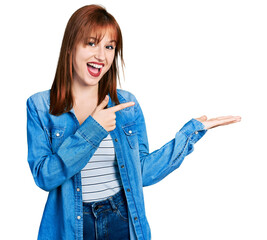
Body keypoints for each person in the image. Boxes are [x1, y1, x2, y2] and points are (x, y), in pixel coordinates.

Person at [26, 4, 241, 240]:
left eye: (109, 47)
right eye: (91, 43)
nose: (101, 55)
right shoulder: (40, 106)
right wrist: (93, 130)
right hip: (70, 226)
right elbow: (45, 177)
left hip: (122, 220)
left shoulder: (127, 105)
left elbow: (142, 172)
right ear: (70, 47)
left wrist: (188, 136)